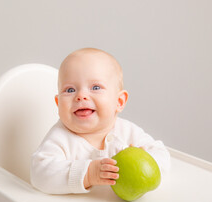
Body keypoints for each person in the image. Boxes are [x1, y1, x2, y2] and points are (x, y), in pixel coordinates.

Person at [30, 48, 170, 194]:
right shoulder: (60, 138)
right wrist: (88, 174)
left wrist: (147, 161)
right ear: (58, 103)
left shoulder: (127, 131)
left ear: (119, 101)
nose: (81, 95)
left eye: (95, 87)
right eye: (70, 90)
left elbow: (162, 154)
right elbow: (39, 174)